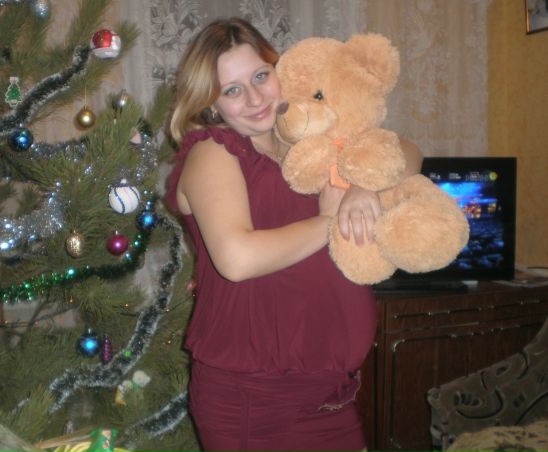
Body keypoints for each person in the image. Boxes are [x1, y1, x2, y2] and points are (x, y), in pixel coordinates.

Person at [166, 17, 422, 452]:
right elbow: (237, 258)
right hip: (256, 400)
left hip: (333, 394)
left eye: (260, 77)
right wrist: (330, 220)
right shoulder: (214, 152)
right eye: (232, 90)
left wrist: (366, 185)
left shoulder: (307, 140)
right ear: (211, 104)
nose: (254, 99)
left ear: (279, 70)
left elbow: (409, 151)